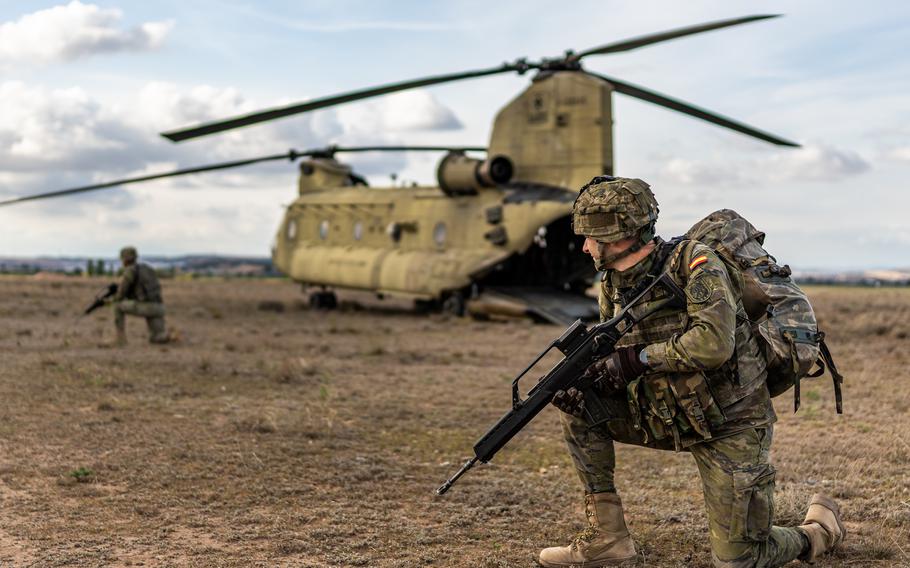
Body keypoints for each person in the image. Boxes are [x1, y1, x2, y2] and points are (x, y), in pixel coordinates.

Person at [540, 176, 845, 568]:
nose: (584, 246)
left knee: (739, 560)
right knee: (580, 410)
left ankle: (817, 533)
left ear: (613, 234)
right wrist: (592, 381)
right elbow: (615, 355)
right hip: (670, 411)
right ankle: (607, 539)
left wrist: (635, 360)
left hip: (731, 421)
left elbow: (713, 345)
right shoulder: (613, 284)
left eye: (588, 236)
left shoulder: (697, 263)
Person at [109, 246, 171, 345]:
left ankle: (120, 339)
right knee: (156, 338)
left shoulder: (130, 270)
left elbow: (121, 293)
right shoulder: (146, 269)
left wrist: (112, 299)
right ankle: (163, 335)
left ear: (124, 259)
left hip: (146, 307)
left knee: (117, 306)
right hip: (159, 308)